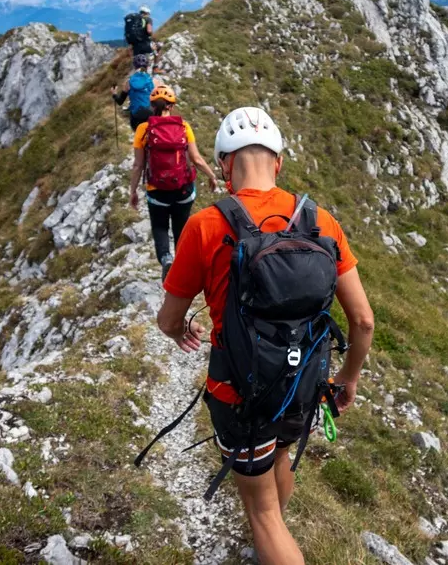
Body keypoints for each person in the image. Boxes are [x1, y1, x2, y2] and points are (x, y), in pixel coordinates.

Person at [155, 107, 375, 565]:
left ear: (223, 166)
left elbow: (168, 318)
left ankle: (274, 540)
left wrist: (181, 331)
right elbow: (364, 321)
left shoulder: (206, 225)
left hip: (238, 391)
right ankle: (278, 537)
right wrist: (347, 380)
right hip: (303, 386)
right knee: (281, 459)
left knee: (262, 513)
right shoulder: (321, 221)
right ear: (277, 163)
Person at [128, 85, 219, 280]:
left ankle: (166, 259)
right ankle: (181, 266)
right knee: (181, 227)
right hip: (183, 189)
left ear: (152, 105)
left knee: (160, 227)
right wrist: (212, 176)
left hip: (157, 190)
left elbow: (138, 165)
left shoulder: (143, 129)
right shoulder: (184, 126)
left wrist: (133, 191)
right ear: (172, 105)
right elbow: (196, 159)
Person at [111, 54, 154, 131]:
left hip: (136, 115)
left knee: (138, 136)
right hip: (150, 113)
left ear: (134, 66)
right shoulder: (152, 81)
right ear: (147, 66)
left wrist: (114, 94)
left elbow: (120, 101)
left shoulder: (129, 82)